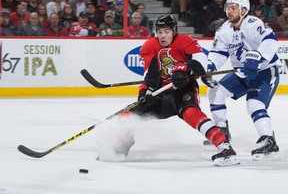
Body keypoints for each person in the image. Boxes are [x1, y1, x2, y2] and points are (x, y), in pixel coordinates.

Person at [100, 15, 240, 166]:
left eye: (166, 32)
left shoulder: (185, 41)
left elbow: (201, 63)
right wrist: (146, 92)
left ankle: (225, 147)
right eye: (159, 32)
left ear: (174, 31)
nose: (162, 36)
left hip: (183, 89)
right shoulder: (149, 46)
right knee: (129, 115)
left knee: (191, 113)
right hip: (160, 91)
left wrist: (185, 70)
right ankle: (123, 144)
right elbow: (150, 73)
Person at [201, 0, 281, 160]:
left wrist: (257, 56)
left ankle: (268, 140)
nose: (229, 11)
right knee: (216, 92)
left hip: (264, 71)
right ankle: (222, 131)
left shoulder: (253, 24)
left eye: (233, 8)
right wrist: (209, 68)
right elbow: (218, 53)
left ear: (243, 10)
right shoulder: (224, 30)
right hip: (242, 73)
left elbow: (271, 41)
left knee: (253, 104)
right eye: (228, 8)